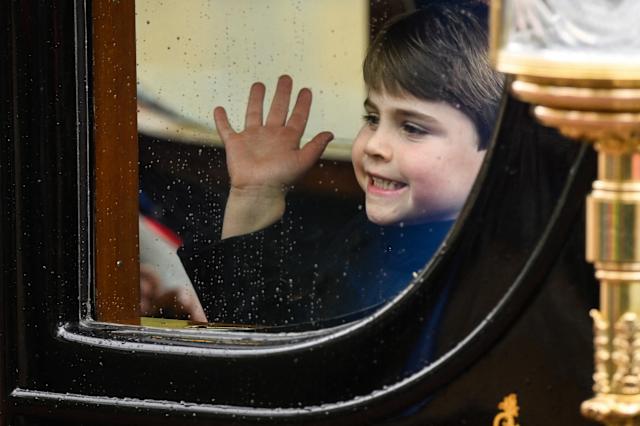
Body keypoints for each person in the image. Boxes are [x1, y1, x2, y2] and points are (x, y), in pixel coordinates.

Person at [178, 2, 503, 329]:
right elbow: (261, 332)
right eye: (372, 119)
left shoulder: (488, 283)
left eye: (413, 128)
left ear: (496, 151)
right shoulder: (367, 242)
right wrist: (256, 192)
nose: (374, 145)